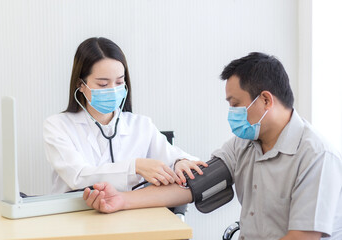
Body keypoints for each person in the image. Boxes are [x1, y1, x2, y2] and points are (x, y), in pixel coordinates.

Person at [83, 52, 342, 240]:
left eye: (235, 103)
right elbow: (194, 184)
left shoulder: (316, 156)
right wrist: (121, 200)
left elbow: (302, 237)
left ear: (265, 100)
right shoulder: (244, 143)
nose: (231, 112)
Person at [43, 37, 206, 194]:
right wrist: (134, 167)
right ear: (81, 84)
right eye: (103, 84)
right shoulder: (58, 126)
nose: (113, 89)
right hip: (74, 216)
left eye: (120, 82)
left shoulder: (141, 125)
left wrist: (180, 162)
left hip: (129, 215)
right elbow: (77, 177)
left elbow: (173, 157)